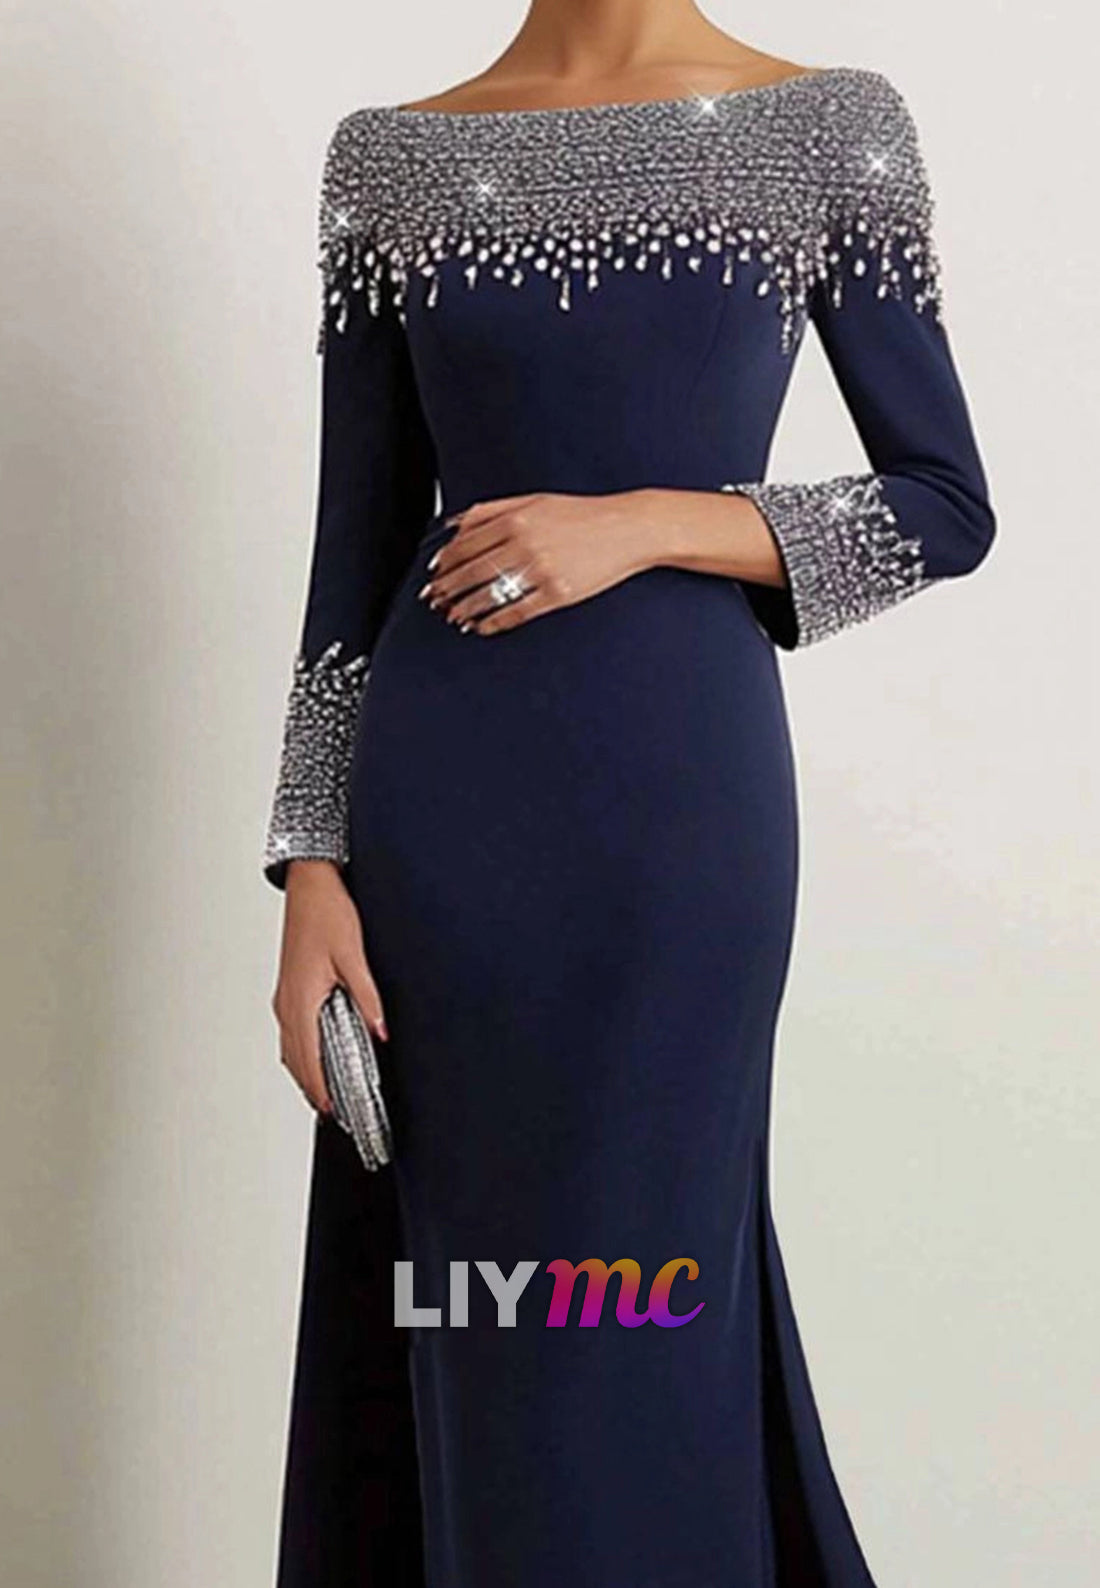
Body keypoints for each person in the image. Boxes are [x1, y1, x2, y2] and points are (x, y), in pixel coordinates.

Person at [263, 6, 997, 1584]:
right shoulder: (388, 159)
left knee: (640, 1297)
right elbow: (353, 552)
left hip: (678, 814)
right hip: (438, 821)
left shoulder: (828, 126)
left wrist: (650, 521)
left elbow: (944, 505)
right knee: (471, 1307)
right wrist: (310, 864)